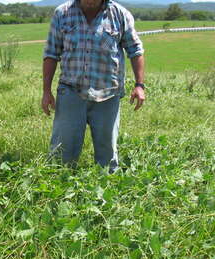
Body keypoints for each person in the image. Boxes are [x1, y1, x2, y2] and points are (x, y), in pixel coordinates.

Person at [42, 0, 145, 173]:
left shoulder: (120, 14)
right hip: (71, 92)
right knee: (61, 154)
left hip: (108, 95)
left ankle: (106, 192)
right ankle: (58, 190)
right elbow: (51, 53)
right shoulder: (62, 13)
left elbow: (135, 51)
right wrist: (46, 91)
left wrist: (139, 85)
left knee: (107, 155)